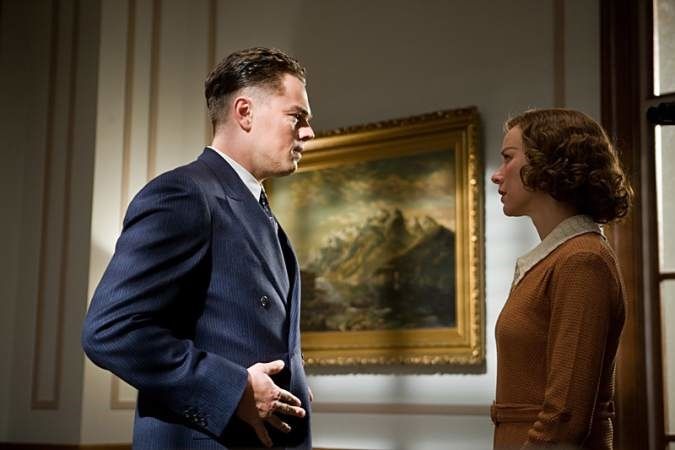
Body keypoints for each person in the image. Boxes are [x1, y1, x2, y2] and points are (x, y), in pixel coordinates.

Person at [82, 47, 315, 449]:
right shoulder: (183, 195)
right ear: (245, 112)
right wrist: (233, 390)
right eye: (297, 117)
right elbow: (111, 329)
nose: (309, 133)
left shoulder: (258, 212)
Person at [489, 108, 632, 450]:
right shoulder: (557, 258)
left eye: (508, 158)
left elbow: (564, 420)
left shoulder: (582, 260)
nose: (496, 175)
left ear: (548, 163)